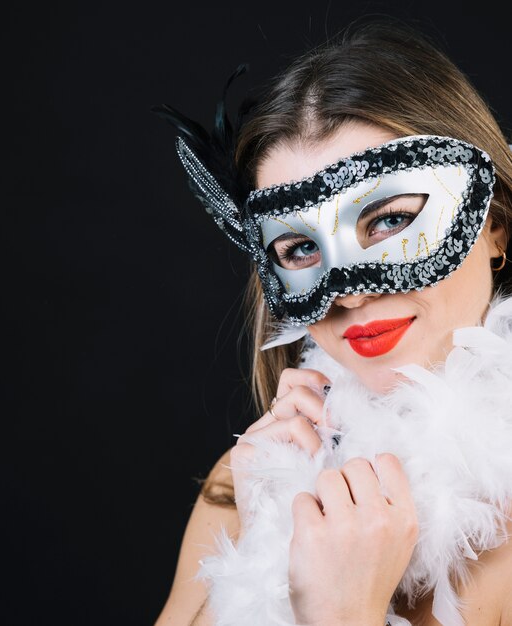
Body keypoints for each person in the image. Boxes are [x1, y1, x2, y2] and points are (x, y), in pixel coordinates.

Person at [152, 17, 512, 626]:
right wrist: (263, 542)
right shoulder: (245, 486)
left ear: (495, 225)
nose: (348, 294)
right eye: (298, 249)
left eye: (391, 221)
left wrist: (342, 613)